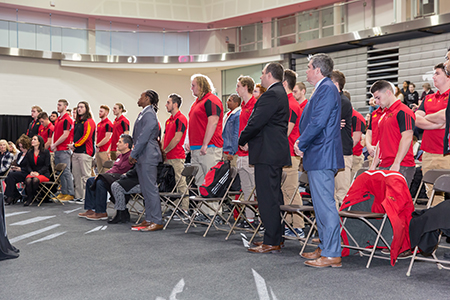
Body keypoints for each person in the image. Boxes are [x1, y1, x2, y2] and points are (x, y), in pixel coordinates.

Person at [294, 53, 344, 268]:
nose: (305, 71)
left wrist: (301, 143)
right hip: (319, 154)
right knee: (321, 205)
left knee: (325, 205)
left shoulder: (326, 88)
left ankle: (332, 252)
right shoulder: (323, 89)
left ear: (317, 69)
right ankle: (325, 246)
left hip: (322, 154)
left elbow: (318, 122)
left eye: (308, 67)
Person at [239, 62, 291, 254]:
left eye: (262, 74)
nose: (260, 77)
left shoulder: (271, 94)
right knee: (273, 196)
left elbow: (256, 121)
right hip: (273, 152)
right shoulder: (280, 93)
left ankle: (271, 240)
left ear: (269, 75)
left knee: (267, 197)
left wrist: (243, 138)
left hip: (268, 153)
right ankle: (277, 237)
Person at [188, 74, 224, 220]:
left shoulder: (212, 100)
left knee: (210, 181)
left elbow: (213, 122)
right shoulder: (197, 102)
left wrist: (205, 143)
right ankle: (205, 212)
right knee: (200, 182)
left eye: (193, 85)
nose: (191, 88)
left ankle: (215, 213)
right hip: (196, 148)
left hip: (209, 147)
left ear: (202, 85)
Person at [415, 63, 450, 206]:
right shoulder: (428, 98)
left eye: (437, 73)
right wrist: (437, 123)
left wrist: (428, 117)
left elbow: (445, 115)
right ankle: (438, 228)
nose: (433, 77)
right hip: (428, 153)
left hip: (446, 153)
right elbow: (416, 118)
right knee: (432, 193)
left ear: (447, 76)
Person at [369, 80, 416, 187]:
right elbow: (380, 141)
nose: (376, 102)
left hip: (402, 165)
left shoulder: (404, 111)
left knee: (396, 202)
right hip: (384, 164)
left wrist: (397, 163)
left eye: (378, 98)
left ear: (388, 93)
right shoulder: (383, 115)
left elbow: (407, 138)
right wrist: (373, 165)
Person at [129, 90, 163, 232]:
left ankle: (157, 220)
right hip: (143, 156)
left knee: (150, 189)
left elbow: (143, 137)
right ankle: (149, 218)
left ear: (148, 99)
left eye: (141, 96)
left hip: (148, 155)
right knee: (145, 189)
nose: (139, 98)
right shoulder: (144, 113)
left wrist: (133, 153)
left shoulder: (149, 114)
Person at [78, 134, 133, 220]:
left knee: (100, 182)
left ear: (126, 145)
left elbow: (122, 170)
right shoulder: (120, 156)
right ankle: (91, 209)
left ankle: (101, 212)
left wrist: (103, 176)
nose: (117, 144)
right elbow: (113, 169)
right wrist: (102, 175)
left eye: (120, 142)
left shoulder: (131, 156)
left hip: (121, 179)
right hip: (111, 177)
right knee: (90, 180)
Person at [281, 69, 305, 237]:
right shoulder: (287, 102)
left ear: (284, 83)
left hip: (289, 152)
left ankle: (298, 226)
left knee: (291, 189)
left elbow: (285, 132)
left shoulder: (290, 104)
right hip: (286, 153)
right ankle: (290, 224)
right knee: (285, 190)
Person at [235, 75, 257, 227]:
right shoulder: (242, 106)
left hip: (251, 154)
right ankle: (250, 219)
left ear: (245, 87)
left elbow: (257, 127)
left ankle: (263, 220)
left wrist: (250, 143)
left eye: (238, 86)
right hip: (241, 153)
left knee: (257, 189)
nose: (236, 89)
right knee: (247, 189)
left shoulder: (255, 104)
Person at [162, 94, 189, 214]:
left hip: (177, 156)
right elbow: (164, 137)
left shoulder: (181, 118)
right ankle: (176, 207)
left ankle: (185, 209)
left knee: (181, 183)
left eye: (168, 102)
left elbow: (177, 138)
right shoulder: (168, 121)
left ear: (175, 104)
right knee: (171, 184)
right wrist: (162, 151)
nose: (166, 105)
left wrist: (165, 150)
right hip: (167, 157)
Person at [330, 70, 353, 207]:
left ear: (335, 84)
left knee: (342, 191)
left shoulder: (342, 101)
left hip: (342, 151)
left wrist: (330, 123)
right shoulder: (331, 100)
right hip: (332, 150)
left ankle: (343, 226)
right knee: (330, 193)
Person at [69, 101, 96, 203]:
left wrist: (75, 145)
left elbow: (87, 136)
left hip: (85, 152)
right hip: (76, 152)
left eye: (81, 107)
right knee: (76, 175)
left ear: (86, 109)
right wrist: (72, 144)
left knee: (86, 176)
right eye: (78, 107)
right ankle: (78, 196)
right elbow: (73, 134)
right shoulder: (76, 122)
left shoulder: (89, 121)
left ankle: (86, 197)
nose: (79, 109)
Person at [51, 99, 74, 201]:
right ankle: (63, 192)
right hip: (57, 148)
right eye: (57, 105)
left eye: (60, 105)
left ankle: (70, 192)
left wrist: (55, 144)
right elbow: (54, 133)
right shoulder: (58, 120)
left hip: (64, 148)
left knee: (66, 171)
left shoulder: (67, 119)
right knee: (60, 172)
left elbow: (65, 135)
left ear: (65, 107)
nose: (58, 107)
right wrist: (53, 144)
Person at [23, 135, 51, 206]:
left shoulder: (45, 152)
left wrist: (39, 173)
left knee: (35, 180)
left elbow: (47, 165)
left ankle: (34, 195)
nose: (32, 141)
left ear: (39, 142)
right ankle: (30, 197)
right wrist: (31, 172)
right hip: (33, 172)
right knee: (28, 179)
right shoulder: (29, 152)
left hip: (43, 173)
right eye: (32, 139)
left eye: (34, 139)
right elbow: (28, 165)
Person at [4, 135, 31, 205]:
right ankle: (15, 195)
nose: (21, 148)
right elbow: (18, 164)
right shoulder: (20, 154)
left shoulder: (30, 154)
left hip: (26, 172)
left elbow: (30, 166)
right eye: (20, 147)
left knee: (11, 176)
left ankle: (9, 196)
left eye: (22, 147)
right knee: (7, 177)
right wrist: (15, 167)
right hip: (19, 172)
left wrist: (21, 169)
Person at [222, 94, 241, 167]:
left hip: (231, 151)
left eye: (230, 100)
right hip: (225, 149)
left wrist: (232, 151)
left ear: (236, 103)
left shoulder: (237, 115)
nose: (227, 102)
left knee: (232, 174)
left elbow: (236, 134)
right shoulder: (228, 114)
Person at [95, 105, 113, 174]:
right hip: (98, 150)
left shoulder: (108, 124)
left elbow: (107, 138)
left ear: (106, 113)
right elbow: (96, 136)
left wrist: (98, 145)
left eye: (101, 111)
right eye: (99, 111)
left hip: (104, 150)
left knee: (106, 170)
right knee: (99, 171)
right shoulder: (99, 124)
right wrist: (96, 145)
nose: (99, 113)